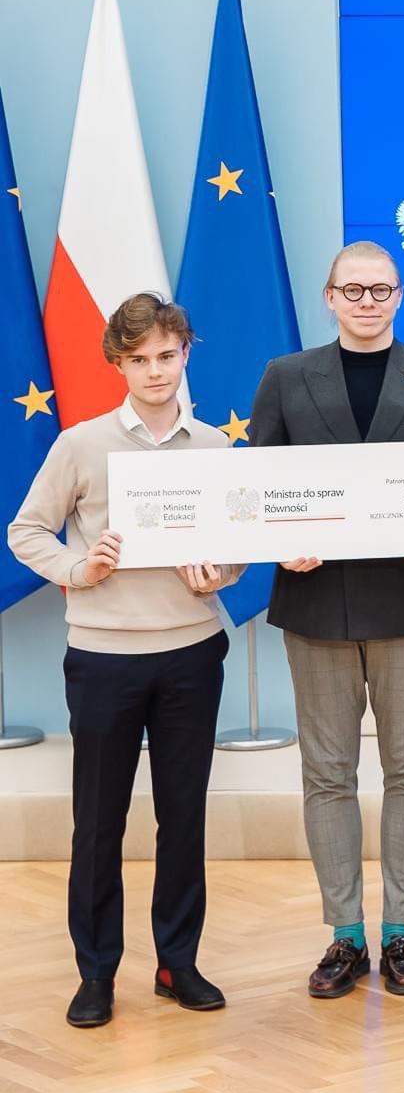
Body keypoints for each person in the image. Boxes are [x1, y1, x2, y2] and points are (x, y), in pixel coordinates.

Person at [249, 241, 404, 999]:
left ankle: (401, 933)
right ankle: (345, 936)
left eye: (380, 290)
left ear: (400, 295)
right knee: (327, 775)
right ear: (329, 297)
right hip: (314, 601)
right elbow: (258, 478)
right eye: (352, 290)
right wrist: (279, 540)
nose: (366, 302)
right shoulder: (285, 376)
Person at [8, 294, 239, 1028]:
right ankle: (97, 973)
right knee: (98, 822)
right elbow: (26, 531)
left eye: (167, 356)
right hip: (104, 658)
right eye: (139, 360)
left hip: (191, 652)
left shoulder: (215, 448)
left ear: (186, 354)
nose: (155, 371)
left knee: (184, 816)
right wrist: (81, 569)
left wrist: (218, 573)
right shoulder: (81, 444)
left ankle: (178, 962)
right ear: (117, 363)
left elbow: (235, 546)